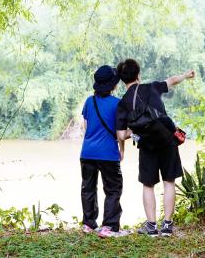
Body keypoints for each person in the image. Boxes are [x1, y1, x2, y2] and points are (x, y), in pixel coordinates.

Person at [116, 59, 195, 237]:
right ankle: (167, 226)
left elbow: (121, 135)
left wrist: (133, 132)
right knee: (169, 182)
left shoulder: (123, 103)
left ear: (122, 80)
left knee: (148, 185)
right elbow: (172, 80)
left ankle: (151, 227)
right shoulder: (152, 87)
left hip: (147, 145)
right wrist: (185, 75)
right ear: (138, 74)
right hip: (167, 140)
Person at [80, 65, 128, 238]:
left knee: (88, 188)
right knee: (113, 189)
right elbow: (120, 132)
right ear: (113, 86)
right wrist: (122, 150)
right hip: (108, 153)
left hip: (87, 153)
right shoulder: (117, 104)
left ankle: (88, 224)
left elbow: (86, 127)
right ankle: (109, 226)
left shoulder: (89, 101)